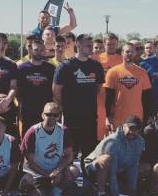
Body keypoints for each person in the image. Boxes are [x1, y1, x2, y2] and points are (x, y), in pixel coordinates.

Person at [53, 34, 105, 166]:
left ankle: (88, 177)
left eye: (92, 46)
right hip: (71, 116)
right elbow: (56, 89)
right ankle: (68, 176)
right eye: (88, 46)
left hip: (90, 115)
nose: (91, 48)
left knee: (89, 153)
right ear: (78, 45)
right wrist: (63, 105)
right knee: (70, 152)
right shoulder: (66, 66)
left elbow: (98, 87)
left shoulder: (96, 66)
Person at [84, 115, 145, 196]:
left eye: (136, 129)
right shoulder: (113, 142)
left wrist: (133, 192)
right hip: (92, 169)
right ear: (124, 126)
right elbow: (112, 172)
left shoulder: (140, 142)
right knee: (106, 160)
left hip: (118, 169)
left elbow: (133, 167)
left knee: (143, 168)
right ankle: (101, 195)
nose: (133, 132)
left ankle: (116, 190)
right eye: (130, 128)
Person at [104, 41, 152, 131]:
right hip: (118, 118)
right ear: (122, 53)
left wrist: (147, 117)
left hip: (137, 118)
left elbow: (146, 98)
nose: (130, 54)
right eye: (127, 51)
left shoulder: (143, 73)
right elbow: (108, 97)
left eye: (132, 52)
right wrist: (107, 117)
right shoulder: (113, 72)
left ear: (135, 53)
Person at [16, 38, 57, 134]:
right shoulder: (22, 68)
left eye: (41, 50)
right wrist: (20, 106)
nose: (38, 52)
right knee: (27, 136)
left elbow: (54, 90)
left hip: (46, 111)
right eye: (36, 50)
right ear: (31, 50)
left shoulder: (50, 68)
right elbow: (17, 90)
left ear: (44, 51)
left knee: (46, 136)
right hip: (27, 110)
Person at [95, 33, 124, 141]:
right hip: (99, 98)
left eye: (113, 44)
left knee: (114, 132)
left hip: (116, 98)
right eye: (108, 44)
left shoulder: (122, 59)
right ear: (104, 44)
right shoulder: (96, 59)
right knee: (99, 132)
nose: (111, 46)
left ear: (117, 44)